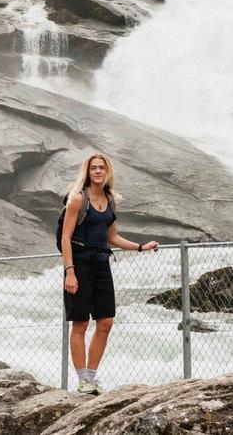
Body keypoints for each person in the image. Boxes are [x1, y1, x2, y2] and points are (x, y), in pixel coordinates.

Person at [59, 152, 159, 395]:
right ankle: (82, 380)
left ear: (107, 171)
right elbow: (65, 237)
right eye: (93, 168)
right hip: (80, 266)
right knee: (80, 323)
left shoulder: (110, 201)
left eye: (101, 168)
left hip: (102, 265)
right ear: (88, 171)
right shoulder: (77, 200)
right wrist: (70, 272)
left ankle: (91, 379)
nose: (97, 171)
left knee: (105, 322)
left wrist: (139, 247)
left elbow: (111, 237)